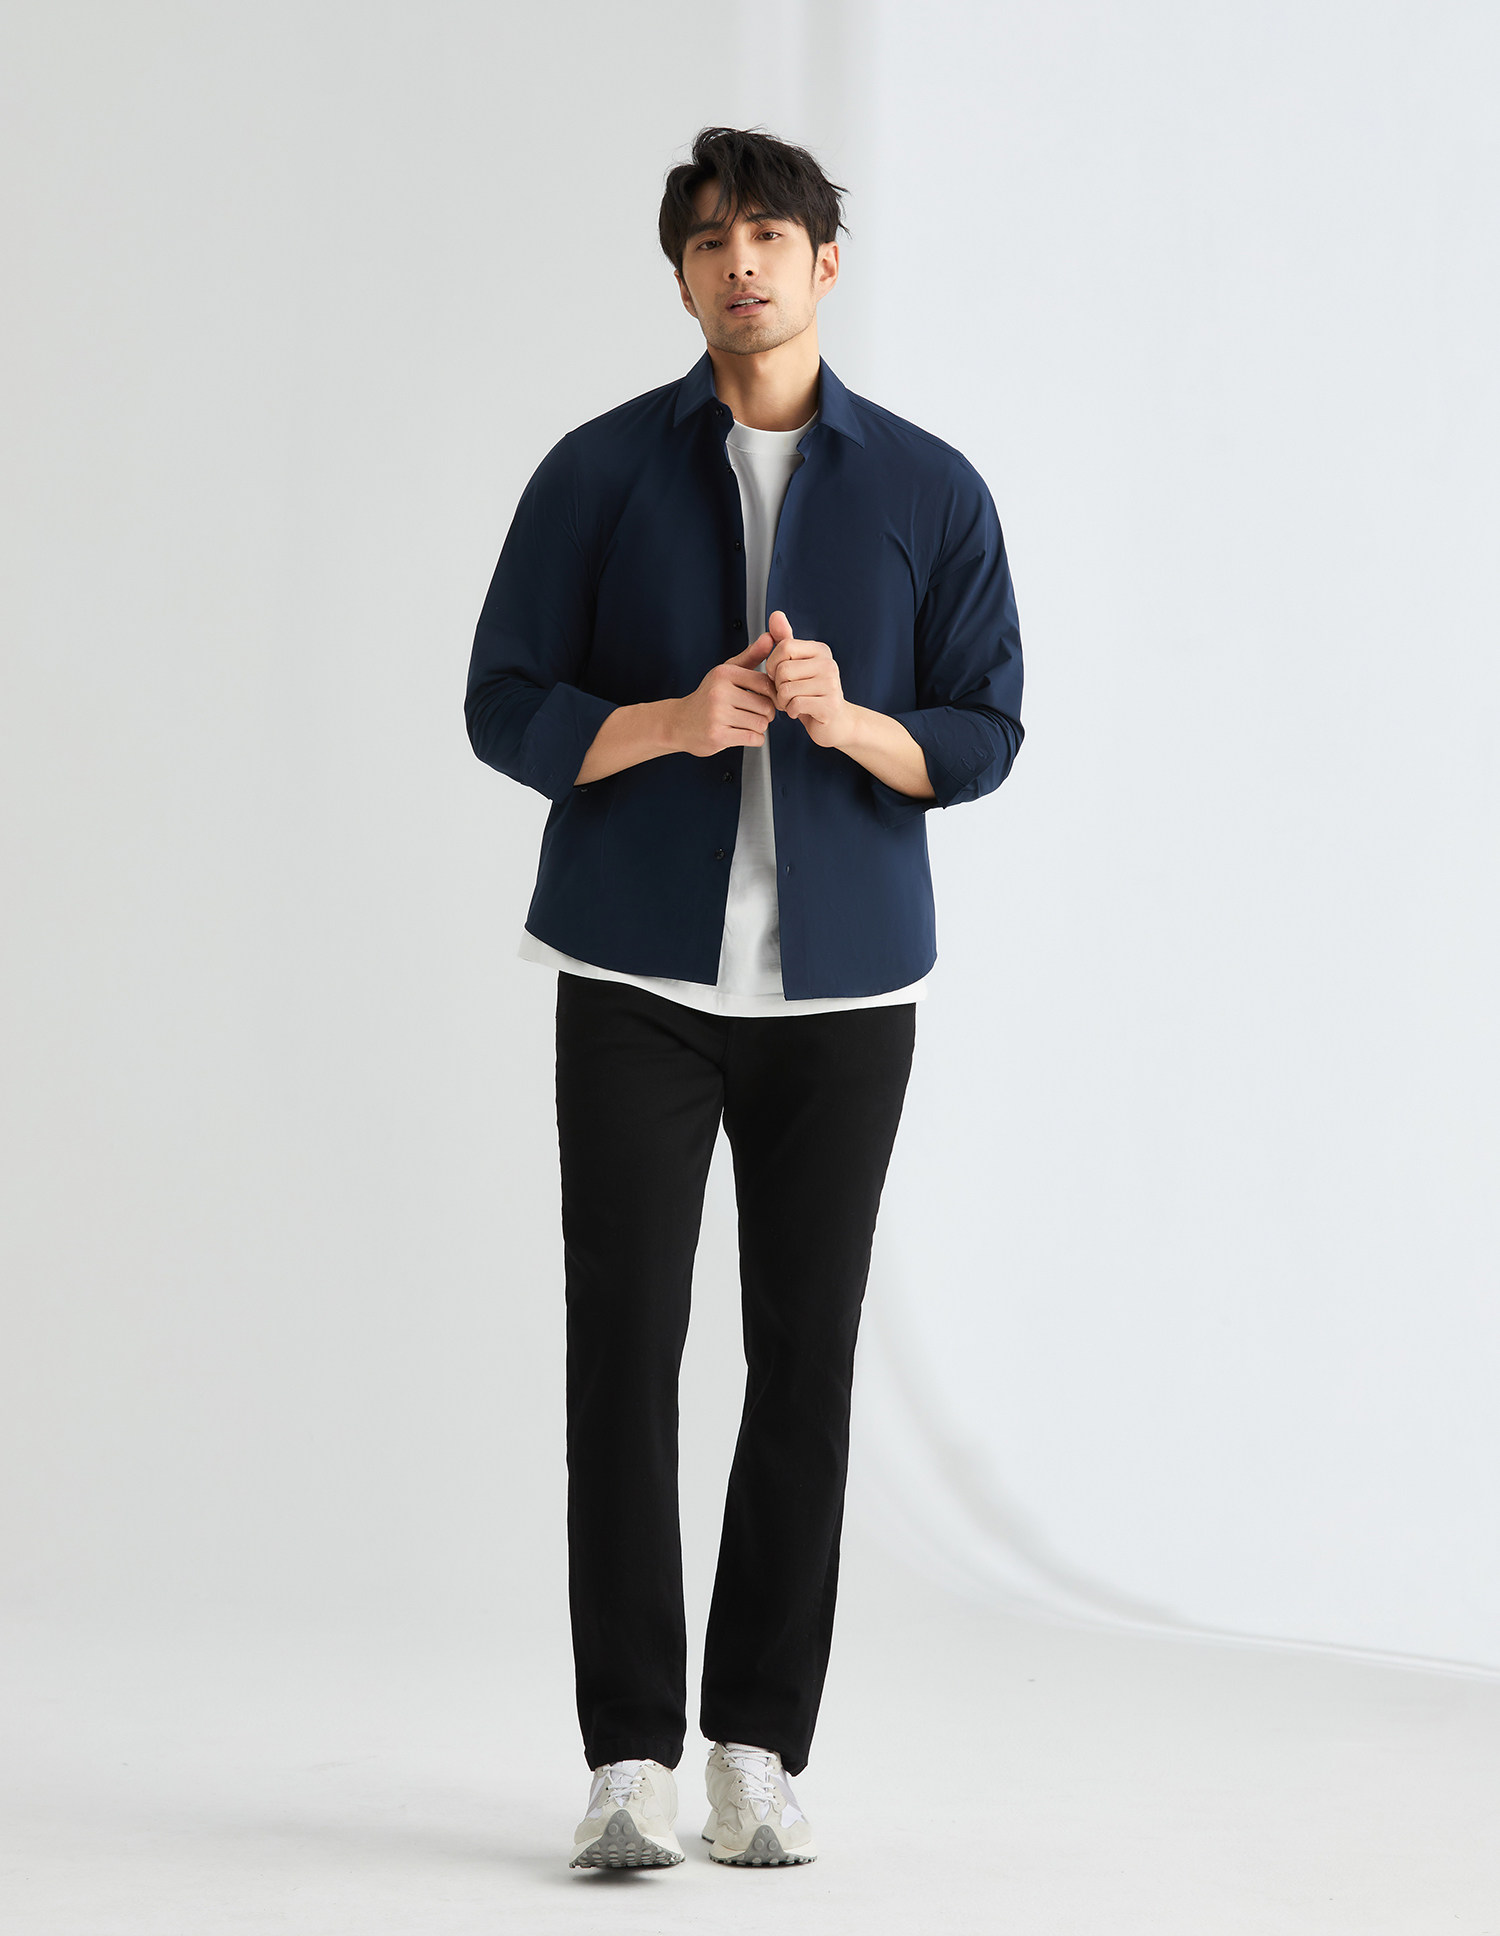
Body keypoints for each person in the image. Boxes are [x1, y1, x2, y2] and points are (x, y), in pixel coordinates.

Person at [465, 124, 1024, 1872]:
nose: (741, 263)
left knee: (806, 1366)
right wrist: (665, 723)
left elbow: (986, 734)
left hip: (845, 998)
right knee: (623, 1359)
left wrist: (851, 723)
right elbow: (500, 702)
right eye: (709, 241)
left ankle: (757, 1752)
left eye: (770, 233)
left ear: (825, 261)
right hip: (636, 981)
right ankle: (628, 1761)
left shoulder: (930, 488)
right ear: (683, 275)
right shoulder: (595, 472)